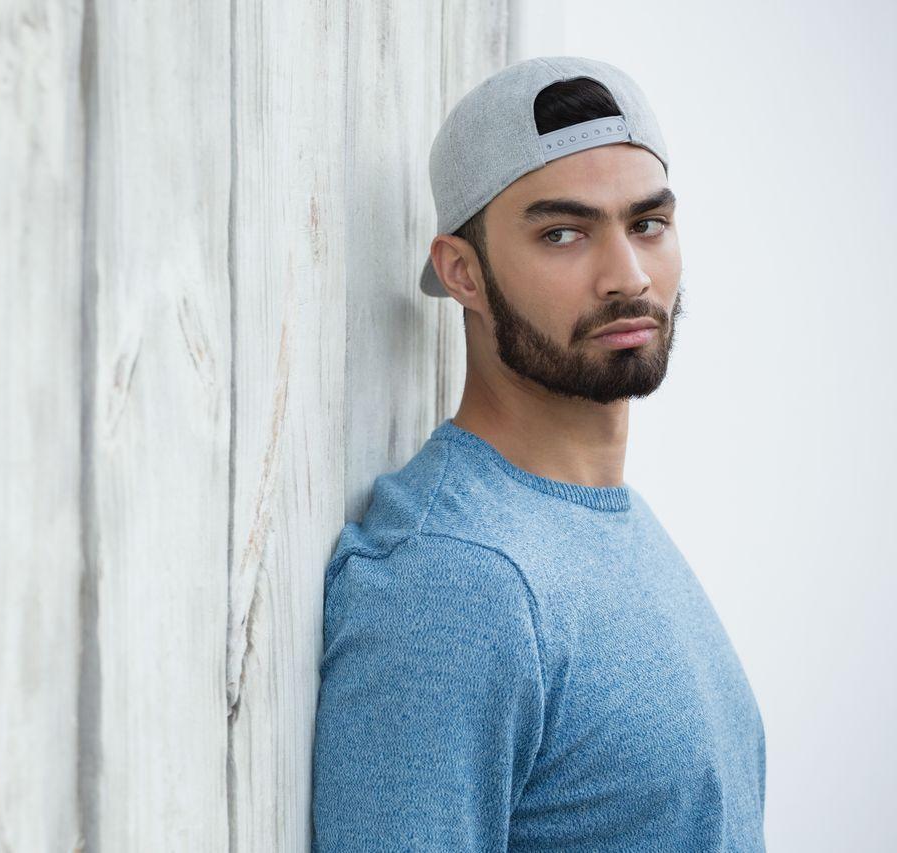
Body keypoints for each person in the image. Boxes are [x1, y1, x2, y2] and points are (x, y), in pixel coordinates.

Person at [310, 56, 766, 851]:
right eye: (563, 233)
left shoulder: (611, 524)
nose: (627, 277)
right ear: (463, 273)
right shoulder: (455, 576)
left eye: (647, 224)